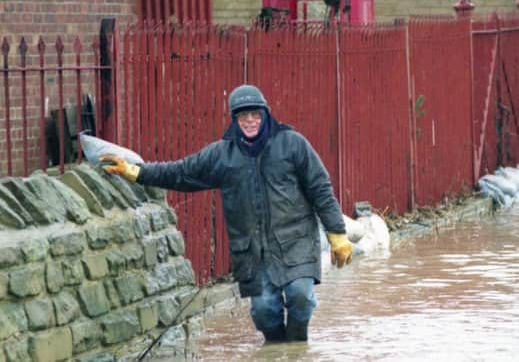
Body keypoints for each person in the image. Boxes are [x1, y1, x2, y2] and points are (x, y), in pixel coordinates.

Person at [100, 84, 353, 343]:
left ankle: (298, 347)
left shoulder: (292, 144)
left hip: (296, 241)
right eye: (243, 115)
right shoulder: (222, 154)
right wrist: (136, 172)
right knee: (265, 311)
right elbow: (181, 172)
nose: (250, 120)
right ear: (235, 119)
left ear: (265, 113)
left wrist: (337, 234)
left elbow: (320, 188)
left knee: (301, 296)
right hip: (252, 250)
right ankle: (278, 350)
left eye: (255, 114)